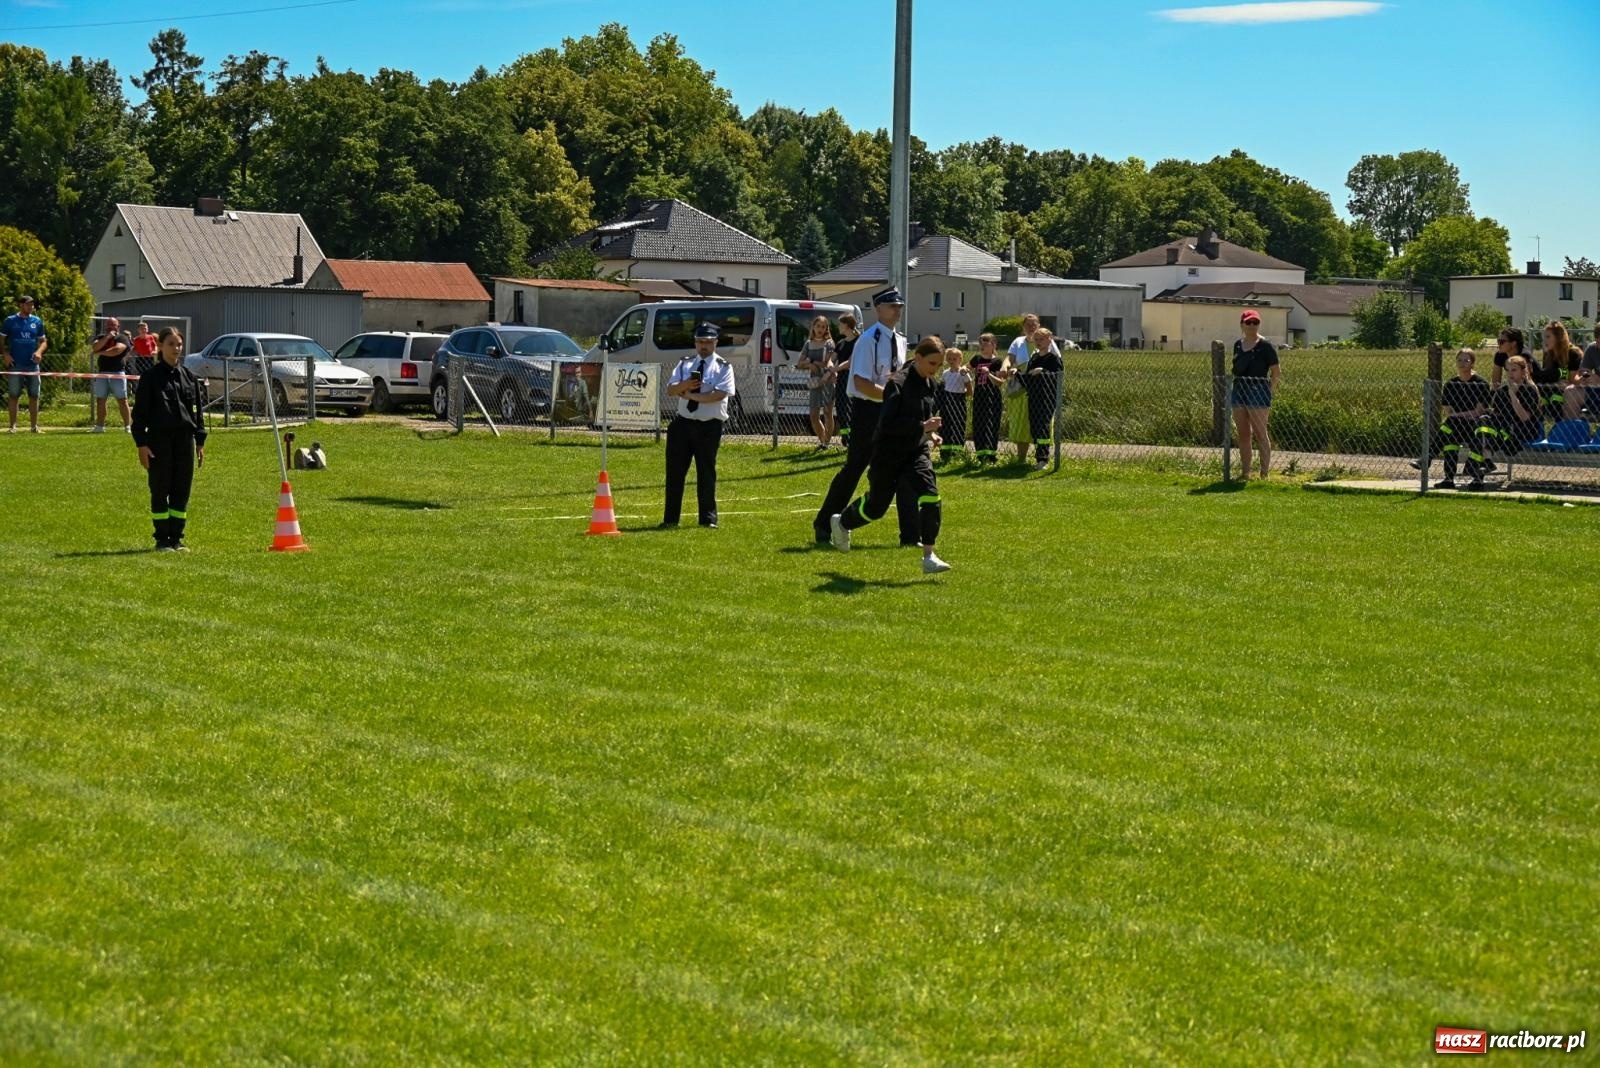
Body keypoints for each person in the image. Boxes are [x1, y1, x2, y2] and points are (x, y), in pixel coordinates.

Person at [829, 336, 952, 574]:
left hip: (915, 452)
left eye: (939, 365)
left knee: (930, 496)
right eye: (932, 364)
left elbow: (923, 419)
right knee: (876, 508)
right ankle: (842, 522)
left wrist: (929, 435)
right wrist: (922, 427)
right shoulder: (897, 385)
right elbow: (887, 426)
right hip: (888, 454)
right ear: (917, 358)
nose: (935, 370)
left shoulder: (930, 384)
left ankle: (929, 555)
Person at [811, 289, 918, 547]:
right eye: (892, 306)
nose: (897, 310)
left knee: (905, 470)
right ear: (878, 309)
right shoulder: (868, 340)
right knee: (855, 468)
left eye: (900, 306)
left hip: (891, 411)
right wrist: (894, 399)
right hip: (869, 411)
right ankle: (824, 522)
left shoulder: (900, 340)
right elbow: (861, 382)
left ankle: (910, 535)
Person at [131, 328, 206, 551]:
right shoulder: (150, 378)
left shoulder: (189, 378)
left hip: (184, 441)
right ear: (160, 346)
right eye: (171, 344)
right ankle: (162, 539)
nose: (176, 349)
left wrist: (200, 440)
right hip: (159, 442)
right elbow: (139, 416)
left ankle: (177, 538)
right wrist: (141, 444)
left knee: (181, 490)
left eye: (179, 344)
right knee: (160, 489)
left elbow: (196, 413)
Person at [661, 321, 736, 528]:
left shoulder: (723, 366)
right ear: (695, 343)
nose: (704, 346)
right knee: (675, 474)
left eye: (708, 342)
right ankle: (670, 520)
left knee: (706, 474)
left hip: (708, 426)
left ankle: (708, 520)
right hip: (682, 425)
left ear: (715, 343)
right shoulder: (685, 364)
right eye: (700, 341)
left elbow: (720, 395)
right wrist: (686, 386)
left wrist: (691, 395)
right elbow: (670, 389)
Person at [1421, 347, 1491, 489]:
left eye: (1466, 360)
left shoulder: (1481, 383)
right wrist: (1456, 416)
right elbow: (1448, 411)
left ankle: (1477, 479)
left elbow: (1478, 412)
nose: (1462, 363)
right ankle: (1448, 479)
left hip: (1475, 425)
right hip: (1457, 425)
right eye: (1459, 360)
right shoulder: (1451, 384)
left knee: (1451, 425)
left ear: (1472, 363)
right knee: (1450, 440)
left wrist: (1457, 415)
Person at [1469, 354, 1542, 488]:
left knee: (1482, 437)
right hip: (1502, 430)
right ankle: (1485, 465)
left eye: (1514, 370)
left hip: (1521, 432)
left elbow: (1524, 417)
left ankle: (1478, 474)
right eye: (1508, 370)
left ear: (1523, 371)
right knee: (1483, 424)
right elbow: (1497, 413)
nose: (1510, 374)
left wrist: (1513, 395)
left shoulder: (1530, 390)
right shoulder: (1502, 390)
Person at [1230, 309, 1280, 480]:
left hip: (1258, 390)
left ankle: (1264, 474)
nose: (1252, 326)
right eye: (1248, 322)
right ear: (1242, 324)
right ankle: (1245, 472)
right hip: (1239, 389)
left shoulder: (1265, 346)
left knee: (1260, 432)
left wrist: (1268, 392)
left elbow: (1276, 372)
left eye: (1255, 322)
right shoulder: (1238, 344)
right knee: (1243, 433)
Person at [1005, 313, 1057, 461]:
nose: (1031, 327)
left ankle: (1041, 457)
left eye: (1034, 324)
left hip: (1042, 392)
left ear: (1039, 325)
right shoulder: (1018, 342)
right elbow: (1009, 358)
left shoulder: (1048, 344)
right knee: (1022, 422)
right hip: (1022, 389)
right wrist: (1006, 368)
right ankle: (1021, 458)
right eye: (1028, 324)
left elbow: (1056, 366)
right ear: (1023, 327)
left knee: (1040, 423)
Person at [3, 295, 47, 434]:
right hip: (15, 363)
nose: (31, 307)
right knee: (14, 395)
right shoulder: (10, 321)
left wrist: (39, 352)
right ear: (20, 305)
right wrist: (6, 354)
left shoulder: (37, 321)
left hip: (32, 365)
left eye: (32, 305)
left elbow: (43, 341)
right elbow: (1, 341)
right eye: (28, 304)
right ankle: (12, 427)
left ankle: (34, 427)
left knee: (34, 395)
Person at [1023, 326, 1064, 468]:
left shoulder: (1053, 358)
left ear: (1049, 340)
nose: (1038, 342)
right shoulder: (1034, 358)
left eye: (1041, 339)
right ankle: (1038, 457)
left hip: (1047, 398)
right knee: (1034, 427)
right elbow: (1027, 377)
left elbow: (1058, 376)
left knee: (1042, 426)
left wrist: (1043, 371)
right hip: (1033, 396)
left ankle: (1043, 459)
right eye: (1036, 340)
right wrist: (1016, 374)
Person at [797, 315, 836, 446]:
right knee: (814, 415)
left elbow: (827, 363)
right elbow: (799, 364)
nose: (820, 329)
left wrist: (811, 361)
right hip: (814, 382)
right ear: (813, 327)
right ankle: (822, 439)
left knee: (827, 412)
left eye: (823, 327)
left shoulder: (829, 343)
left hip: (827, 381)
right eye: (818, 326)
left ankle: (826, 443)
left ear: (826, 329)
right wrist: (809, 364)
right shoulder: (808, 344)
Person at [967, 333, 1006, 462]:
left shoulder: (997, 361)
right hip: (979, 395)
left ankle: (990, 455)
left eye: (985, 344)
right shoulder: (977, 359)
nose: (982, 346)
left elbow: (999, 382)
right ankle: (980, 455)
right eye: (981, 344)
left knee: (991, 423)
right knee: (978, 423)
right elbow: (967, 367)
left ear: (993, 345)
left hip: (992, 396)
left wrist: (989, 374)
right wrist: (963, 369)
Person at [89, 316, 132, 433]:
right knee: (100, 400)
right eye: (108, 324)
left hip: (117, 373)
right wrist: (107, 337)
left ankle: (127, 426)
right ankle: (100, 426)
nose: (110, 327)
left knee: (122, 400)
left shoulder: (122, 338)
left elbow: (116, 350)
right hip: (102, 373)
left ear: (118, 327)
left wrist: (100, 352)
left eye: (113, 325)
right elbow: (95, 346)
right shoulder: (101, 337)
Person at [936, 347, 971, 462]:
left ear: (960, 359)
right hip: (946, 402)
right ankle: (945, 454)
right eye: (949, 359)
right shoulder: (945, 373)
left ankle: (957, 454)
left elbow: (970, 391)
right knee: (945, 427)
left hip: (959, 400)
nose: (952, 361)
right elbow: (942, 387)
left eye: (954, 358)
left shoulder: (963, 374)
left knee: (958, 427)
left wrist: (960, 397)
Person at [832, 313, 858, 450]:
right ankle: (845, 439)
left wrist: (836, 368)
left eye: (840, 324)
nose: (838, 327)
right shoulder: (841, 343)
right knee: (841, 411)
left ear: (847, 325)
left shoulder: (858, 341)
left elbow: (850, 362)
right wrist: (831, 366)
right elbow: (833, 358)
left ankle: (854, 439)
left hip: (852, 379)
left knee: (852, 410)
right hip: (841, 380)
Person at [1574, 324, 1600, 421]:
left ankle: (1593, 411)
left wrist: (1598, 379)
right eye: (1597, 342)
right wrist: (1585, 377)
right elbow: (1582, 371)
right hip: (1594, 390)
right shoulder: (1592, 348)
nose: (1599, 345)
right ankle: (1574, 430)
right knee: (1570, 391)